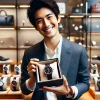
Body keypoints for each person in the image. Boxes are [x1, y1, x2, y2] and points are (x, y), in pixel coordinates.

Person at [20, 0, 90, 100]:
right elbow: (24, 90)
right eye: (39, 21)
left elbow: (85, 83)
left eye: (49, 17)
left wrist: (69, 90)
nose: (46, 24)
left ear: (58, 18)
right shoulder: (30, 53)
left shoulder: (78, 51)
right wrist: (33, 79)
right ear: (36, 27)